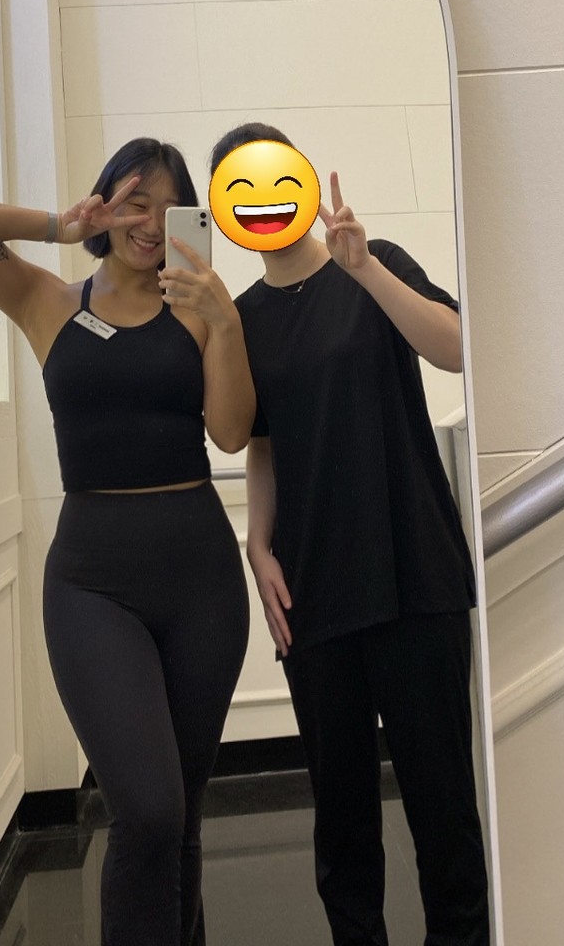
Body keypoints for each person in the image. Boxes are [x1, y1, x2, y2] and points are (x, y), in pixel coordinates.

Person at [0, 138, 253, 946]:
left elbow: (230, 432)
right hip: (92, 582)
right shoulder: (48, 301)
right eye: (134, 201)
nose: (150, 223)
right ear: (104, 203)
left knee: (179, 815)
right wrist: (58, 225)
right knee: (146, 808)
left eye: (169, 209)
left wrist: (225, 323)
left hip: (201, 577)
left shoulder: (198, 307)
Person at [209, 123, 490, 946]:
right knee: (341, 819)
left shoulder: (375, 260)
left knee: (442, 804)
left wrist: (363, 267)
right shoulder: (243, 319)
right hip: (313, 585)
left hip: (414, 571)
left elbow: (457, 349)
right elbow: (261, 440)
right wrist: (257, 544)